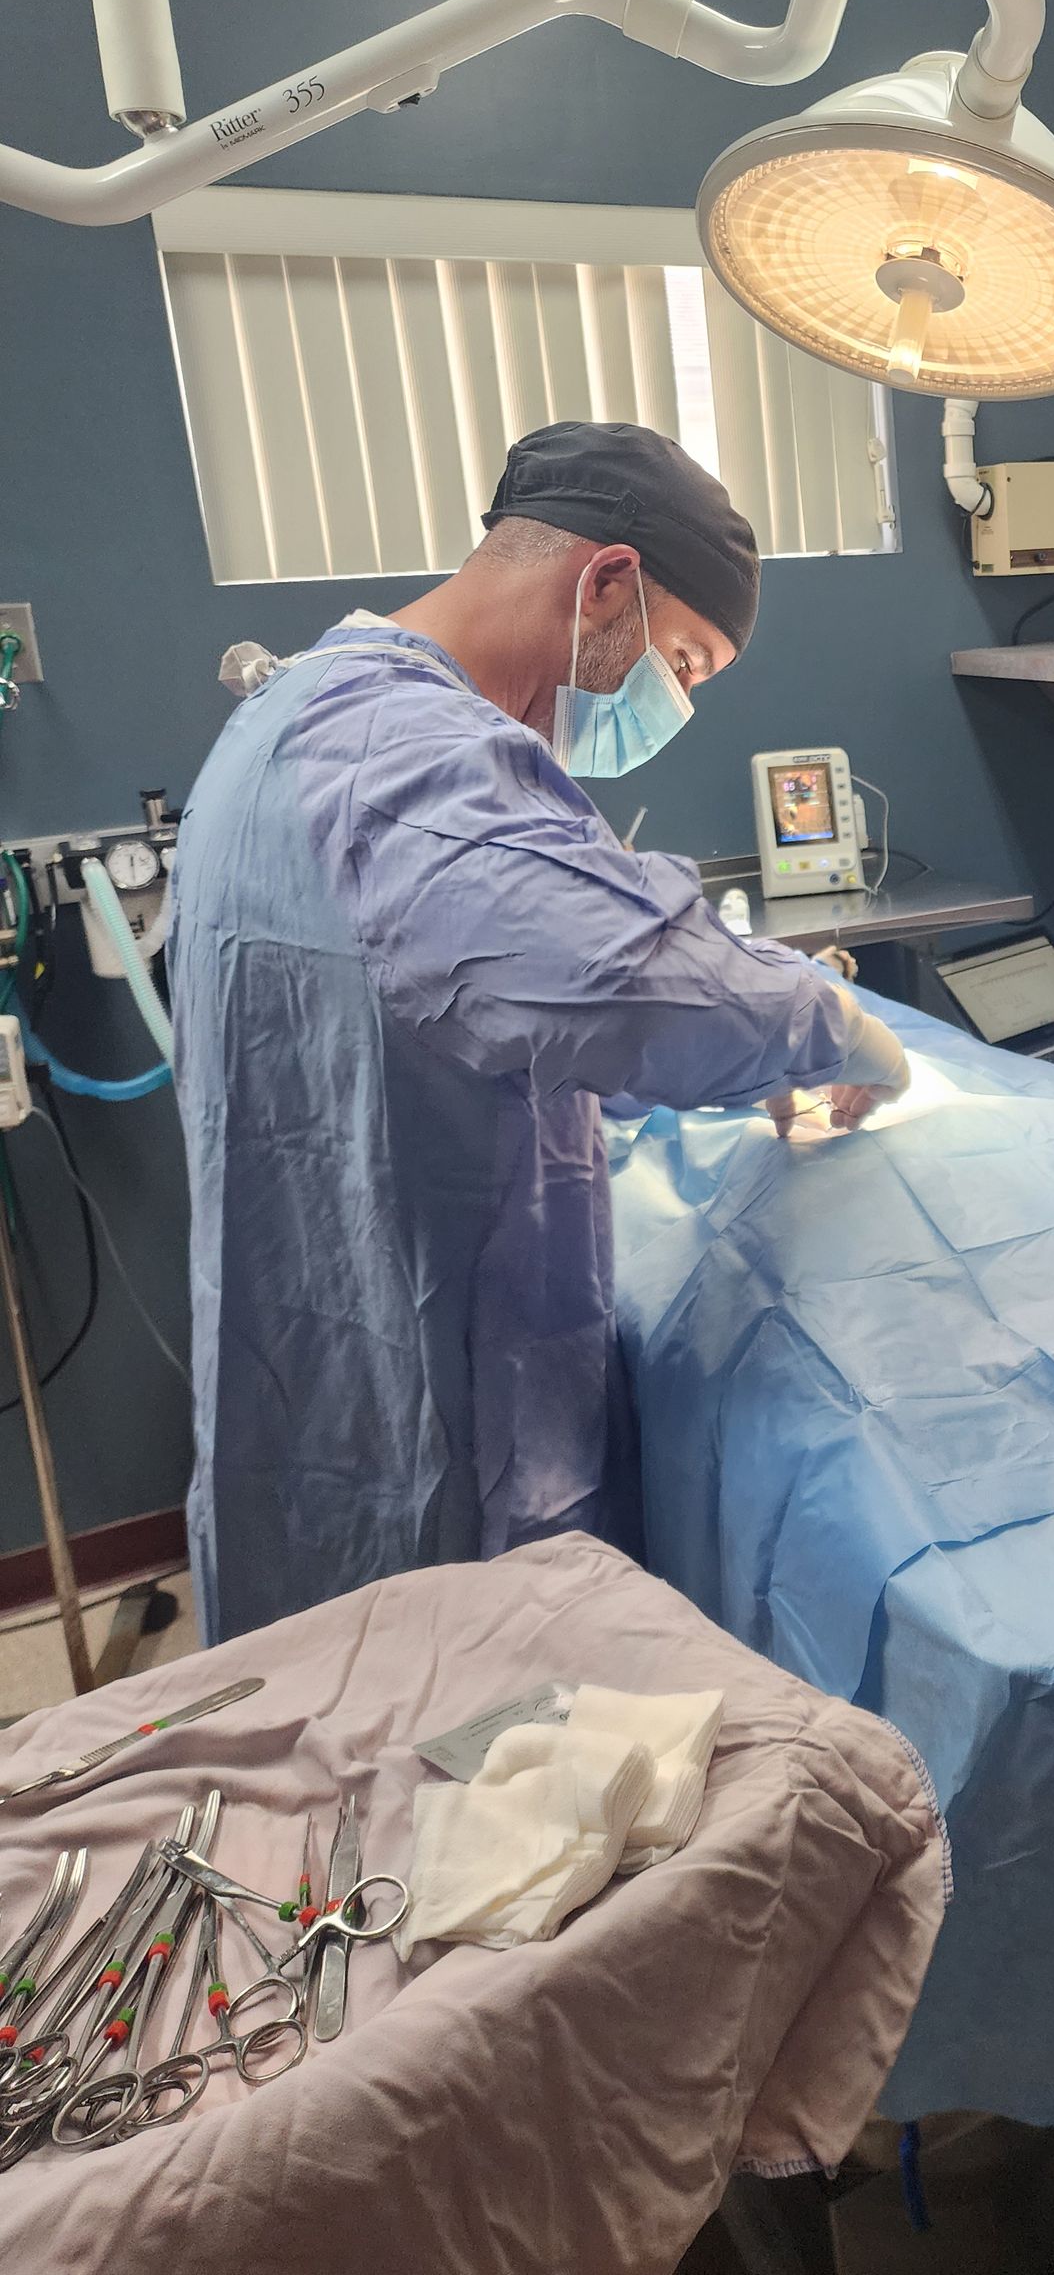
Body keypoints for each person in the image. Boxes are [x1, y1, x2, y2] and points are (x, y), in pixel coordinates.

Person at [170, 421, 910, 1643]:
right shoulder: (403, 756)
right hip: (419, 1401)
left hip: (309, 1348)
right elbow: (626, 978)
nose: (671, 697)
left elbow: (442, 1000)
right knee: (455, 1755)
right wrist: (827, 1023)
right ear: (607, 581)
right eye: (685, 660)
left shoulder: (306, 707)